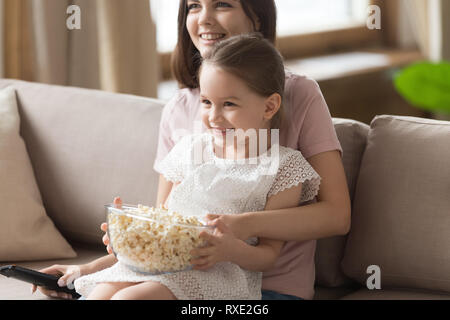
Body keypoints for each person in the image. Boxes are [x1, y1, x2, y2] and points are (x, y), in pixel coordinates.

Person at [32, 0, 350, 300]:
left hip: (265, 289)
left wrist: (238, 227)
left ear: (257, 16)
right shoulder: (182, 111)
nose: (204, 18)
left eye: (222, 4)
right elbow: (168, 226)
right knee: (104, 291)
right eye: (194, 6)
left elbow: (337, 216)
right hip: (175, 274)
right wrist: (107, 254)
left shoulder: (299, 97)